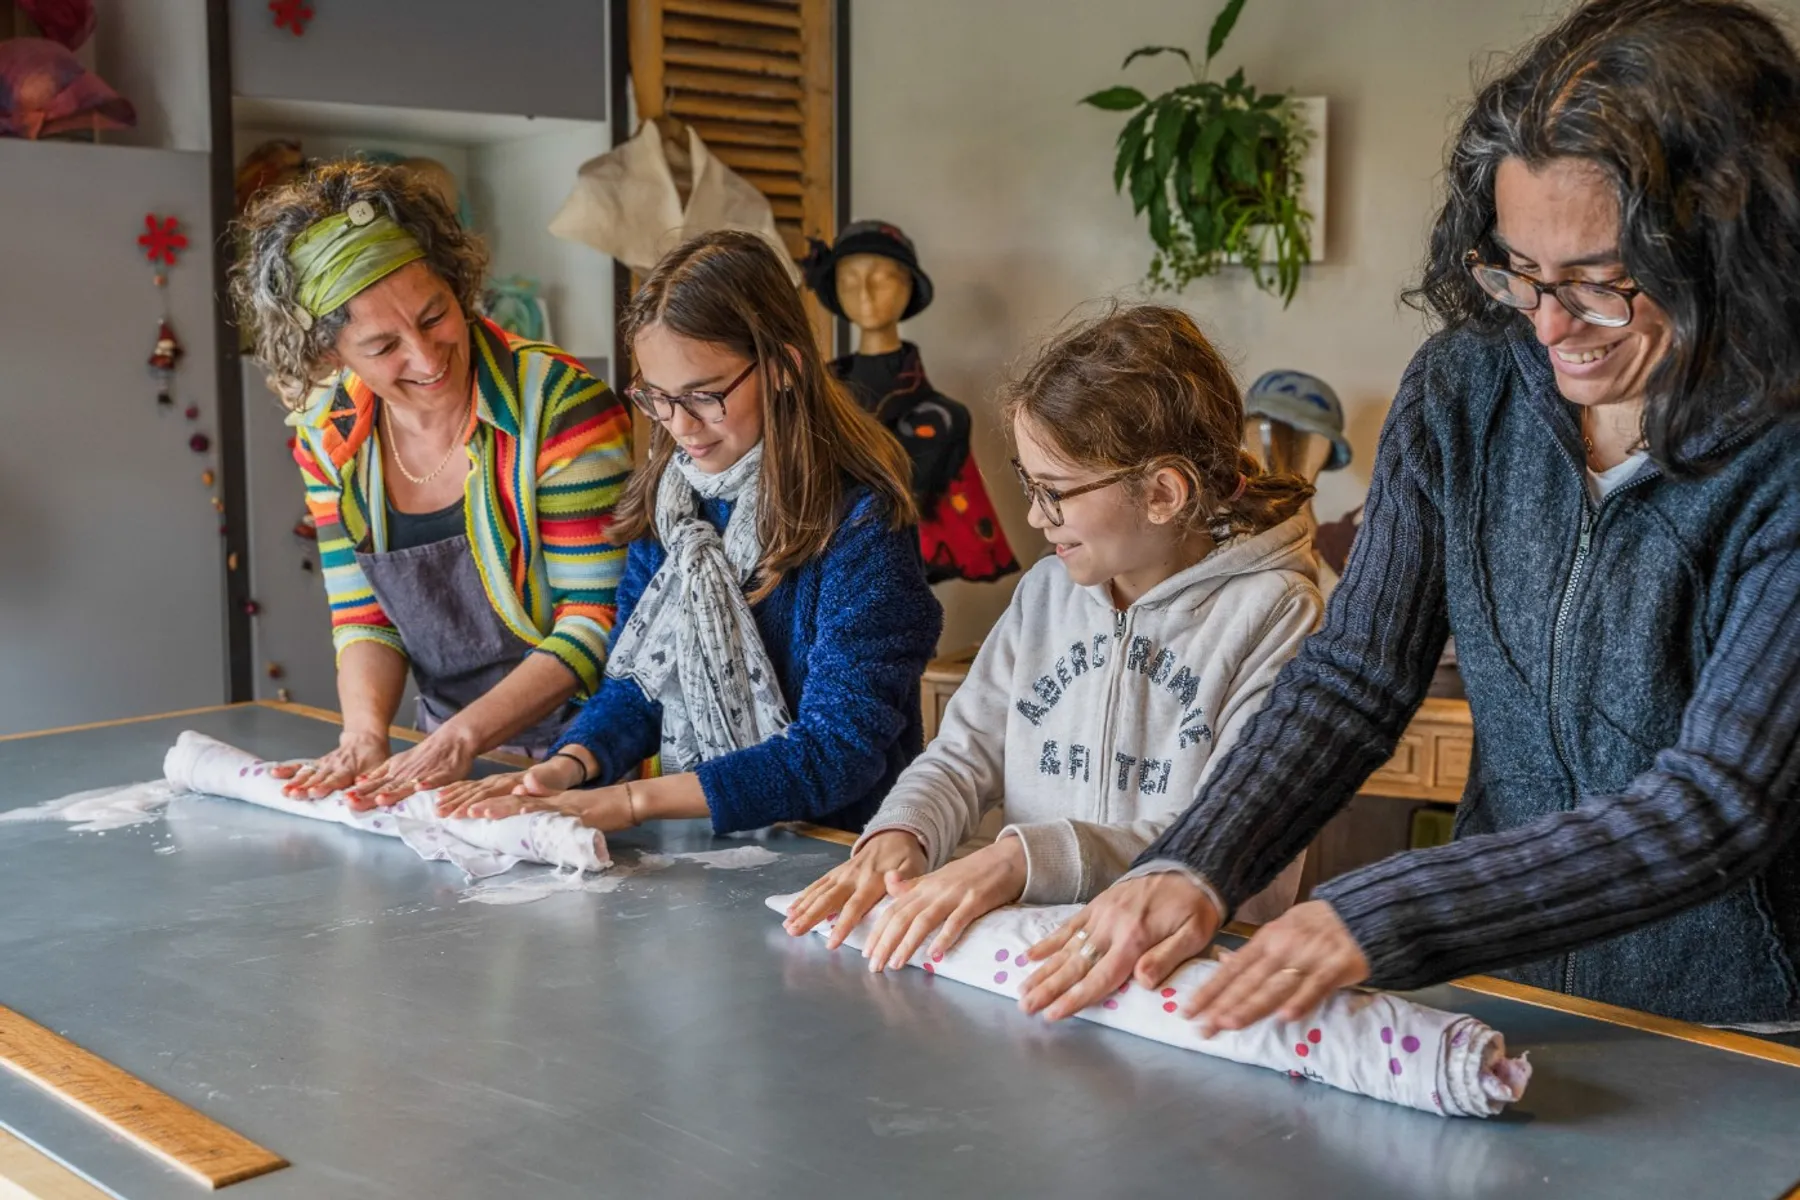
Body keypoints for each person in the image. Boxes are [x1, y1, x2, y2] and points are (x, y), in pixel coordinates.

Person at [1019, 0, 1800, 1038]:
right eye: (1520, 271)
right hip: (1511, 990)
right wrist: (1195, 859)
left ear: (1730, 245)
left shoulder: (1781, 455)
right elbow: (1355, 677)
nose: (1550, 324)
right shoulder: (1466, 391)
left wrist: (1388, 909)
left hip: (1742, 1023)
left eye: (1605, 284)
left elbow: (1719, 796)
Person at [783, 305, 1322, 969]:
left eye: (1055, 492)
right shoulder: (1046, 592)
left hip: (1190, 972)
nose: (1036, 516)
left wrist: (1019, 859)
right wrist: (903, 832)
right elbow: (964, 753)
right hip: (1043, 953)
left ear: (1162, 493)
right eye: (1028, 484)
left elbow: (1227, 834)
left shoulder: (1277, 613)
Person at [436, 230, 943, 835]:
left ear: (784, 367)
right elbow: (638, 686)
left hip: (839, 851)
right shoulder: (675, 503)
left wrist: (633, 802)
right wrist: (570, 764)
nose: (680, 427)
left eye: (704, 396)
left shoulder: (863, 525)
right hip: (716, 838)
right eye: (657, 398)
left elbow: (839, 753)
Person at [230, 159, 632, 807]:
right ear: (333, 355)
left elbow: (595, 620)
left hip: (590, 755)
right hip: (443, 752)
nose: (424, 356)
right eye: (384, 345)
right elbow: (364, 617)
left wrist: (461, 739)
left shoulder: (557, 406)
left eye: (434, 315)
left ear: (458, 284)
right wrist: (364, 736)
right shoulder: (328, 434)